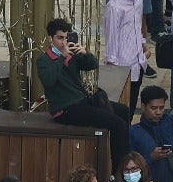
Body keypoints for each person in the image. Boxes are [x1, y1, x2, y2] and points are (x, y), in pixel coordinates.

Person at [35, 19, 130, 170]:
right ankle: (119, 170)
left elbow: (91, 65)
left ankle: (126, 157)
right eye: (60, 38)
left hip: (82, 102)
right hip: (65, 110)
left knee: (123, 111)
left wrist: (85, 53)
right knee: (117, 124)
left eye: (67, 38)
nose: (64, 42)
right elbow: (49, 80)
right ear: (50, 39)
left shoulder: (72, 54)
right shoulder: (44, 60)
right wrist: (62, 57)